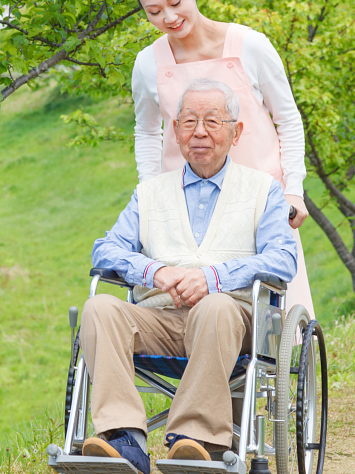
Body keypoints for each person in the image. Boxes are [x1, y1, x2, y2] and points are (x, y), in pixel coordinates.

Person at [79, 79, 297, 474]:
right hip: (159, 318)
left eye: (212, 121)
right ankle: (124, 438)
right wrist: (154, 271)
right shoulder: (148, 193)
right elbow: (105, 249)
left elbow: (283, 258)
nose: (200, 131)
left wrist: (213, 278)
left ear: (236, 132)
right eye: (190, 121)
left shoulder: (263, 190)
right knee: (99, 308)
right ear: (175, 131)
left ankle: (194, 440)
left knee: (215, 306)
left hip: (231, 318)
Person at [131, 0, 314, 319]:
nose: (168, 17)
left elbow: (289, 120)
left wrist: (293, 187)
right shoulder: (148, 63)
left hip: (257, 202)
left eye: (175, 1)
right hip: (186, 207)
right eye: (153, 12)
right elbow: (147, 132)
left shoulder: (251, 46)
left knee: (265, 311)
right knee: (182, 311)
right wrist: (150, 193)